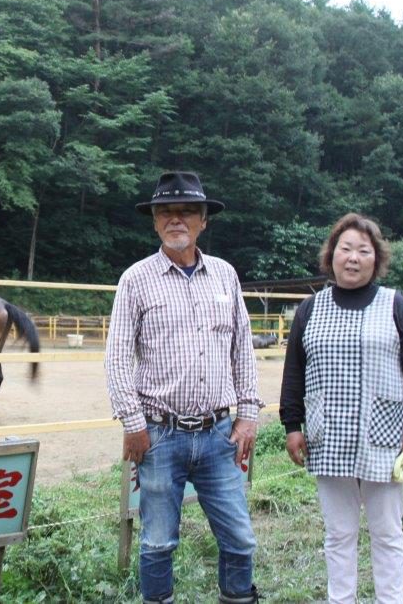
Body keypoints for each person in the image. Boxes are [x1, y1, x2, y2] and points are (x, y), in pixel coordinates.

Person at [105, 171, 263, 604]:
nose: (177, 219)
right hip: (158, 435)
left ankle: (237, 597)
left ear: (203, 220)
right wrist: (133, 424)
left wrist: (248, 415)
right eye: (166, 212)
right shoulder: (135, 279)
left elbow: (242, 350)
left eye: (188, 210)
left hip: (219, 435)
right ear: (155, 221)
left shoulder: (225, 276)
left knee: (239, 537)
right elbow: (117, 357)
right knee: (157, 541)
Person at [279, 213, 403, 604]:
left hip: (383, 438)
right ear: (331, 256)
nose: (352, 258)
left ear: (375, 258)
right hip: (326, 436)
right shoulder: (310, 310)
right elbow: (294, 370)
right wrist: (291, 425)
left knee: (387, 531)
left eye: (362, 251)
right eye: (345, 249)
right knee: (338, 534)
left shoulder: (395, 305)